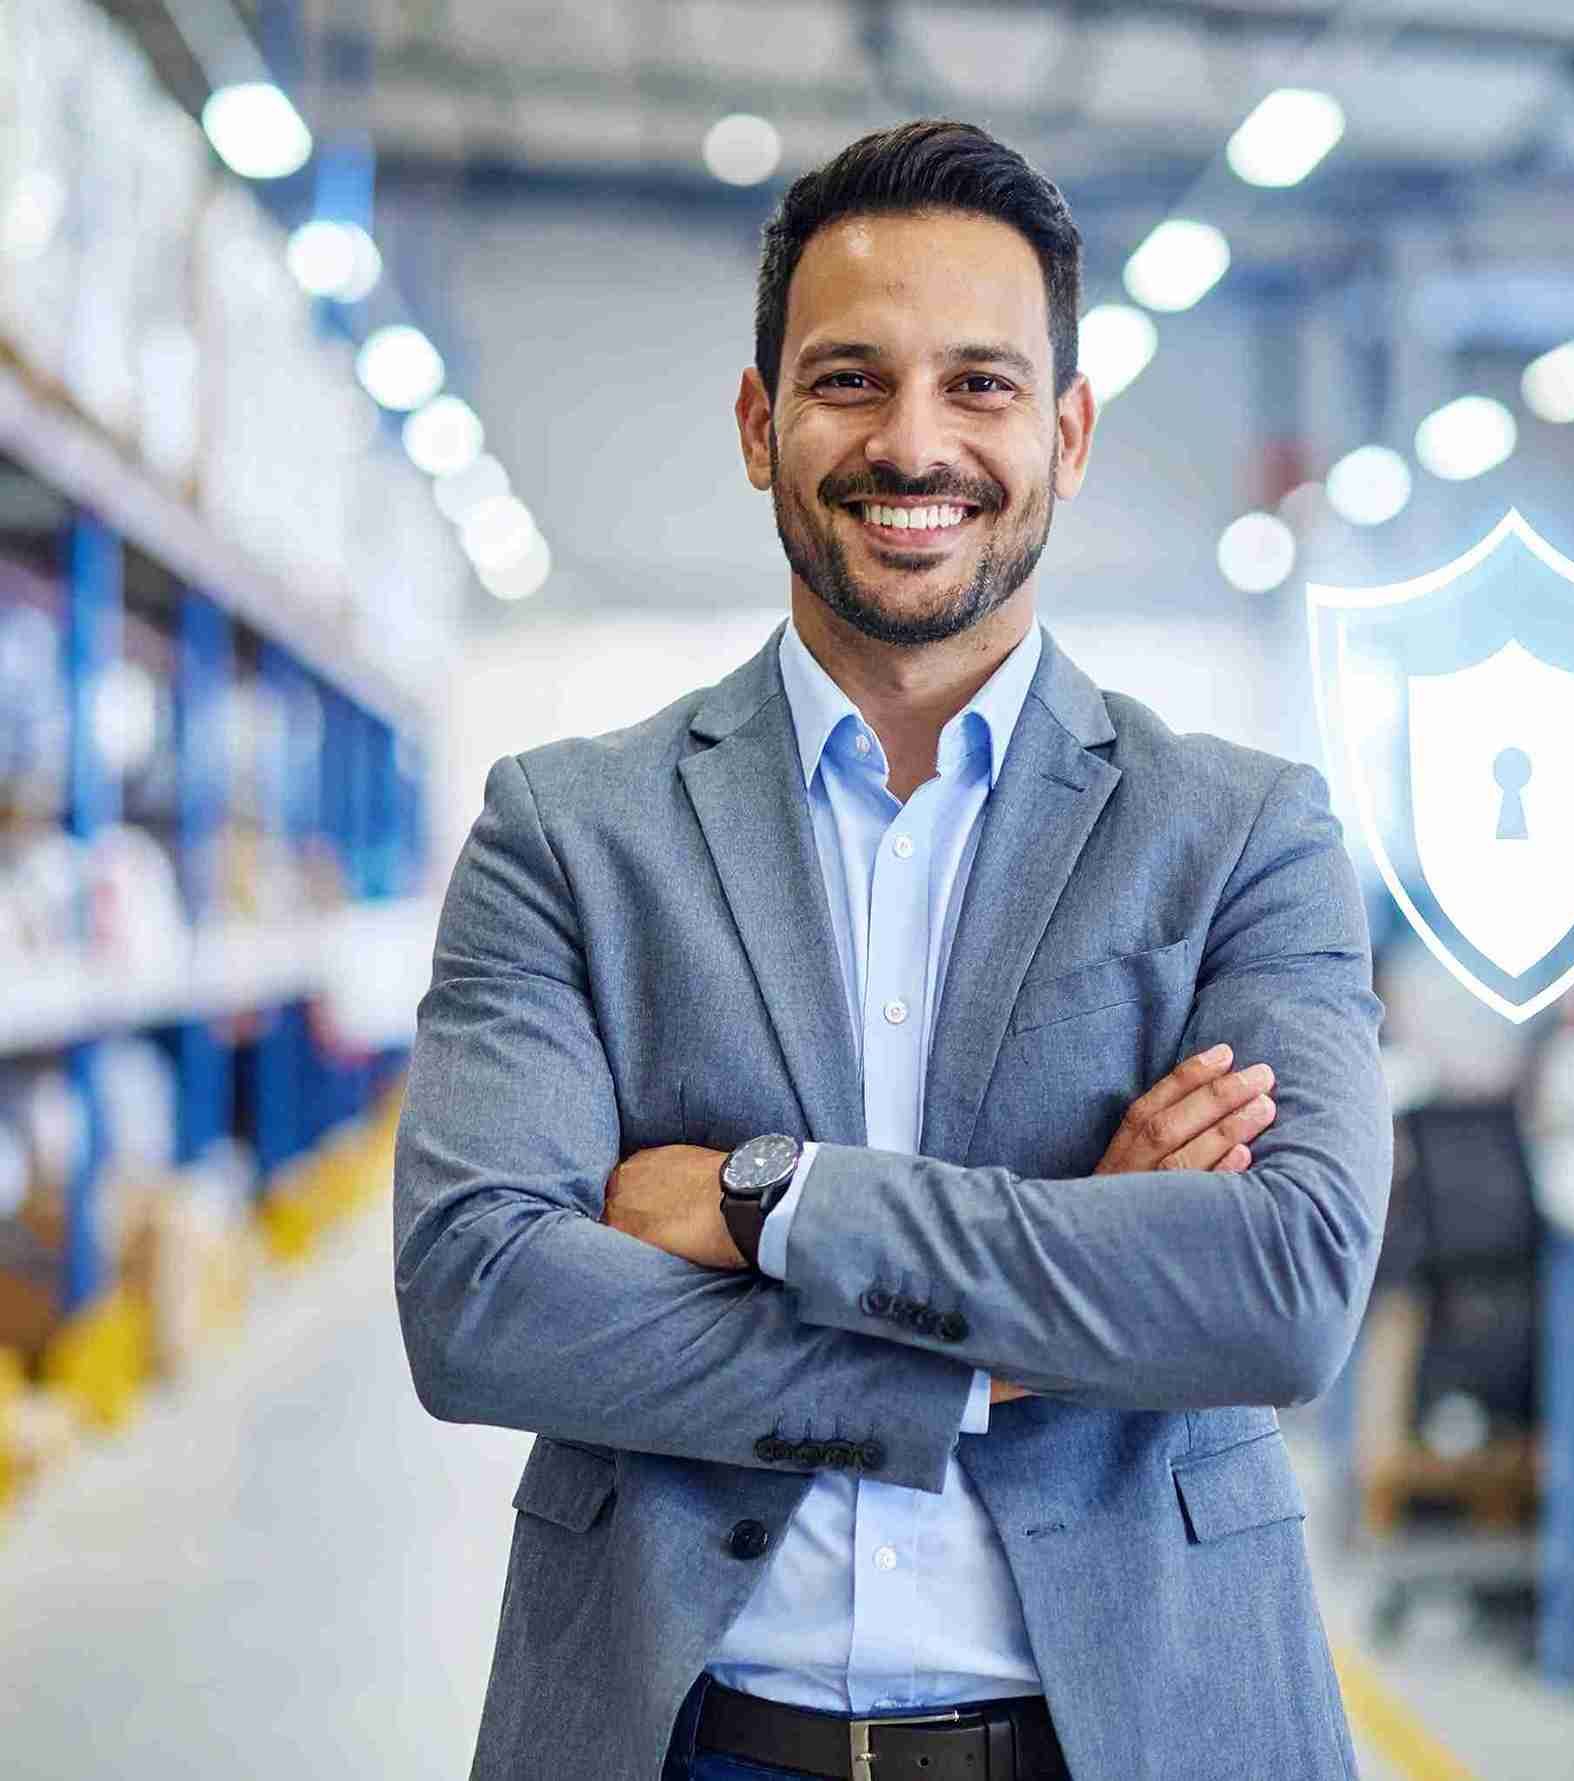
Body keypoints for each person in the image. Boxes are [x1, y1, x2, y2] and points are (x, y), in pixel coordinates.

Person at [394, 117, 1392, 1781]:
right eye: (848, 380)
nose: (913, 442)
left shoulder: (1242, 834)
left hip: (1135, 1737)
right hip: (685, 1739)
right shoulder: (568, 833)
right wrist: (1032, 1320)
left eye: (979, 385)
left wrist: (767, 1201)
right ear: (758, 423)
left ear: (1066, 433)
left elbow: (1280, 1289)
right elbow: (480, 1299)